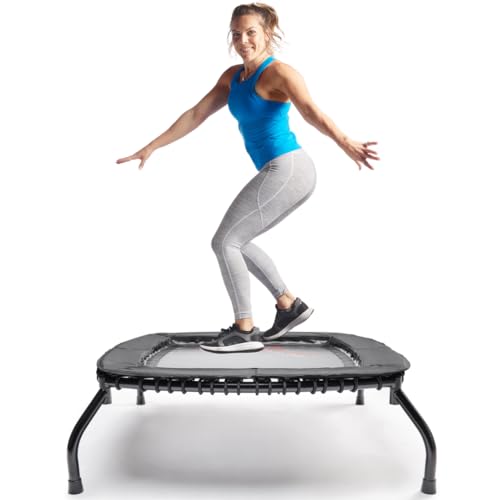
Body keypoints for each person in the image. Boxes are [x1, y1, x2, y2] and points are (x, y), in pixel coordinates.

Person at [116, 3, 379, 354]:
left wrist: (345, 142)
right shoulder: (232, 77)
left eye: (251, 33)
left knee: (225, 242)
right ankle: (289, 305)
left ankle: (245, 329)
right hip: (280, 171)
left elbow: (311, 111)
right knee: (235, 241)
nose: (243, 41)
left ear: (267, 34)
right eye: (237, 34)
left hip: (289, 168)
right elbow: (196, 113)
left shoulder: (280, 73)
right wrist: (151, 147)